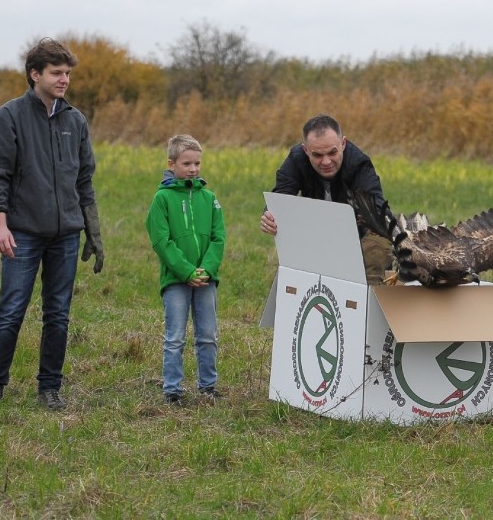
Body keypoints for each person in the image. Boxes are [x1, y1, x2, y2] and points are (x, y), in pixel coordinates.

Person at [0, 38, 104, 411]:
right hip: (22, 233)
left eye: (67, 73)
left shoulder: (75, 120)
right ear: (35, 74)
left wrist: (92, 233)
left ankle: (49, 387)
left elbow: (84, 182)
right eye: (56, 72)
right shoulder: (9, 116)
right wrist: (0, 225)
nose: (64, 79)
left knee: (58, 314)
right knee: (12, 310)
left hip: (65, 235)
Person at [259, 114, 393, 284]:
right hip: (319, 229)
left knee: (372, 257)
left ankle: (371, 299)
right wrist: (269, 215)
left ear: (343, 144)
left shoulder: (359, 164)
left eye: (332, 152)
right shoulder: (296, 159)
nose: (326, 161)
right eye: (317, 155)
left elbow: (376, 210)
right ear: (305, 150)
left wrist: (348, 246)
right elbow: (281, 197)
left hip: (363, 231)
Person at [146, 135, 226, 406]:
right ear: (172, 163)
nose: (193, 169)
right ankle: (172, 389)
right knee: (175, 337)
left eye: (197, 163)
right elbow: (161, 241)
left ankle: (208, 386)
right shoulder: (162, 199)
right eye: (187, 163)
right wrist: (186, 271)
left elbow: (219, 238)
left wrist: (206, 270)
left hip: (206, 280)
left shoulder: (210, 198)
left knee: (207, 335)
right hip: (176, 281)